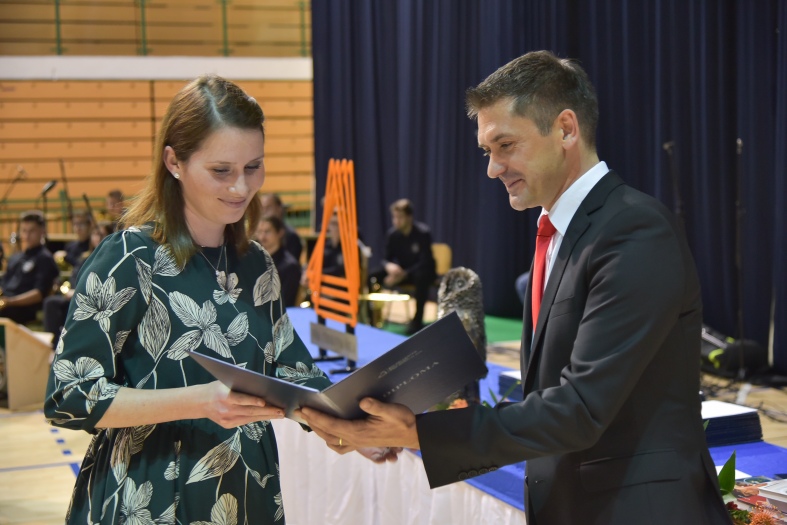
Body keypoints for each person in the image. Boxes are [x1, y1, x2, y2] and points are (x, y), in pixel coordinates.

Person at [297, 51, 731, 524]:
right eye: (488, 151)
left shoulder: (634, 230)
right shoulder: (564, 230)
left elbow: (580, 408)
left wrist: (419, 433)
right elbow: (545, 394)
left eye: (505, 145)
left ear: (566, 129)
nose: (493, 168)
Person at [44, 75, 397, 525]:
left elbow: (292, 373)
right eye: (221, 170)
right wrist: (199, 401)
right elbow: (69, 394)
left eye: (253, 166)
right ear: (174, 161)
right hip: (149, 494)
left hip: (247, 490)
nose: (241, 188)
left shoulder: (257, 264)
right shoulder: (130, 257)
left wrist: (353, 427)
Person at [43, 221, 113, 351]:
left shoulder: (111, 259)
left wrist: (77, 292)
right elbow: (75, 276)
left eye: (102, 234)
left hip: (92, 300)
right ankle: (53, 346)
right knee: (51, 303)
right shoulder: (85, 257)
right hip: (73, 296)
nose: (98, 238)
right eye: (95, 234)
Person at [370, 199, 436, 335]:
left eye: (400, 217)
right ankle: (373, 318)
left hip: (420, 272)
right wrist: (389, 266)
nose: (396, 221)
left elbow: (425, 261)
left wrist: (402, 275)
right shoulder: (392, 235)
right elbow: (385, 259)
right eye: (394, 217)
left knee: (421, 277)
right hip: (401, 272)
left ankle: (417, 322)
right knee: (372, 277)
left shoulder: (423, 233)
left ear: (409, 217)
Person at [0, 210, 59, 325]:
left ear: (42, 231)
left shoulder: (45, 258)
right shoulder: (16, 257)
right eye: (24, 231)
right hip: (7, 302)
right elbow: (4, 283)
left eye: (32, 231)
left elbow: (38, 294)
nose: (26, 235)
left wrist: (10, 302)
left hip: (24, 308)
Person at [254, 214, 301, 307]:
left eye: (267, 232)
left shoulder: (290, 266)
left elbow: (285, 302)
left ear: (280, 233)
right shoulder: (255, 260)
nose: (262, 237)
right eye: (259, 232)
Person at [259, 192, 303, 262]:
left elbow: (292, 263)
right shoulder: (256, 236)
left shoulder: (291, 236)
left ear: (279, 209)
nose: (264, 212)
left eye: (268, 207)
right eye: (262, 208)